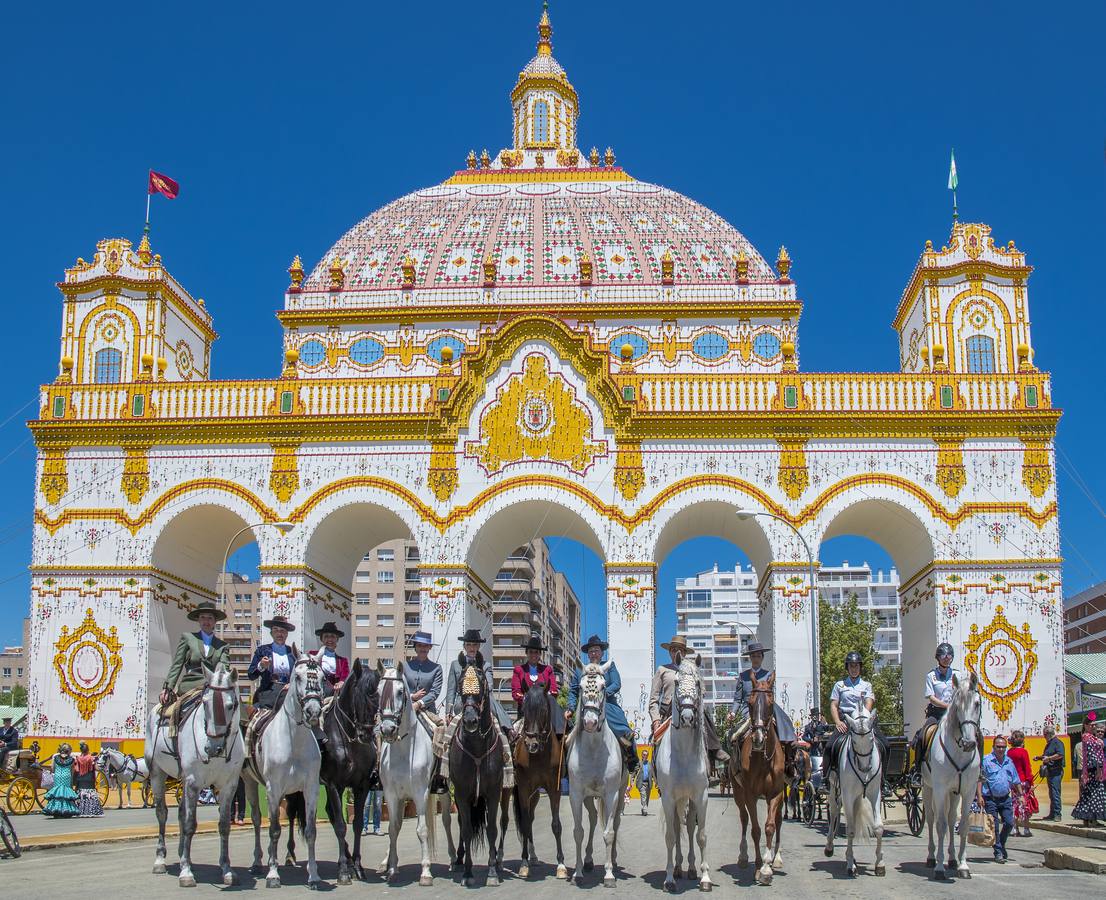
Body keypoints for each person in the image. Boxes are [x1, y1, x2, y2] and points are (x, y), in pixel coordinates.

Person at [438, 629, 514, 788]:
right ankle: (443, 770)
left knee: (495, 717)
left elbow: (490, 687)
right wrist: (448, 712)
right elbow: (451, 690)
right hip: (463, 704)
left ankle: (507, 732)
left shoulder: (485, 665)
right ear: (465, 646)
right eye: (469, 644)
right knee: (447, 734)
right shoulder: (455, 665)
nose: (472, 647)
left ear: (478, 647)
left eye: (474, 645)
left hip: (481, 703)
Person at [648, 634, 729, 776]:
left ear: (684, 653)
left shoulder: (693, 669)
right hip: (668, 710)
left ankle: (715, 749)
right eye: (673, 650)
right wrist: (655, 719)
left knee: (705, 717)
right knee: (656, 740)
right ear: (669, 652)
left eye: (680, 650)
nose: (676, 653)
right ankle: (655, 769)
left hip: (690, 705)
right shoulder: (662, 670)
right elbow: (653, 699)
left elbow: (702, 692)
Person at [160, 600, 231, 740]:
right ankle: (172, 736)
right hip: (191, 683)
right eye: (203, 617)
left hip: (212, 685)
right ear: (198, 620)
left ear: (215, 621)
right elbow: (177, 664)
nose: (206, 621)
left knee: (231, 703)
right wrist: (168, 688)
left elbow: (224, 666)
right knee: (173, 709)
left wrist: (219, 677)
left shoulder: (223, 645)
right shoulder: (188, 638)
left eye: (210, 618)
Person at [566, 635, 637, 774]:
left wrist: (603, 693)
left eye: (596, 650)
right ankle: (566, 768)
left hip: (608, 705)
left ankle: (632, 760)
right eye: (591, 651)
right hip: (585, 706)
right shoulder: (580, 670)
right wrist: (570, 707)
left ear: (602, 653)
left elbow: (617, 683)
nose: (594, 653)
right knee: (567, 738)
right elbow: (573, 690)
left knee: (626, 732)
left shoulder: (609, 666)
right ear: (588, 654)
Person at [728, 641, 797, 775]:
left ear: (762, 658)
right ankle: (734, 766)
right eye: (753, 656)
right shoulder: (743, 677)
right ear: (750, 658)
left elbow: (770, 698)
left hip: (766, 711)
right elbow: (738, 699)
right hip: (748, 712)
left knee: (783, 729)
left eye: (758, 656)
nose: (756, 659)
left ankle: (789, 764)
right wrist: (732, 712)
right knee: (734, 736)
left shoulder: (768, 675)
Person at [821, 651, 887, 781]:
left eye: (856, 666)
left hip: (864, 720)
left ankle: (883, 780)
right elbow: (834, 705)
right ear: (847, 667)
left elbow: (869, 702)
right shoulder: (839, 685)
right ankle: (826, 778)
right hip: (845, 721)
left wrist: (861, 719)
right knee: (830, 746)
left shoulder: (867, 685)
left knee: (885, 745)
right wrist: (838, 722)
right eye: (851, 666)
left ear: (860, 667)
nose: (854, 669)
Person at [910, 642, 962, 776]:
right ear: (938, 658)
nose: (946, 657)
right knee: (922, 736)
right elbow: (931, 697)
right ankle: (917, 771)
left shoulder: (958, 674)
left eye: (949, 655)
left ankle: (979, 769)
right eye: (943, 655)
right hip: (937, 713)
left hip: (954, 714)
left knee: (973, 733)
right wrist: (947, 706)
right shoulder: (931, 675)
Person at [403, 631, 445, 792]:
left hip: (427, 711)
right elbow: (400, 687)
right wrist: (412, 697)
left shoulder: (436, 668)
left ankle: (439, 777)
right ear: (415, 647)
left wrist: (419, 703)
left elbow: (434, 693)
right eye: (420, 645)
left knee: (440, 732)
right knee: (383, 729)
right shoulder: (406, 666)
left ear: (429, 648)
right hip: (406, 707)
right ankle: (378, 770)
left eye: (426, 646)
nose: (423, 648)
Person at [976, 734, 1022, 863]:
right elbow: (979, 779)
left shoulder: (1009, 761)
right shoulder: (986, 761)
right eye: (998, 747)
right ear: (993, 747)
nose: (1001, 749)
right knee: (994, 826)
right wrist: (979, 796)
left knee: (1009, 823)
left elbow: (1016, 780)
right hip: (990, 798)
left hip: (1005, 798)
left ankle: (1001, 844)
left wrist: (1021, 795)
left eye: (1003, 747)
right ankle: (998, 852)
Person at [511, 635, 566, 741]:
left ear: (540, 654)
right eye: (531, 652)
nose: (533, 655)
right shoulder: (519, 670)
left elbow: (553, 690)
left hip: (544, 711)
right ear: (527, 653)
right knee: (513, 735)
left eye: (536, 652)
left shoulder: (547, 670)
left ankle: (561, 733)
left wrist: (541, 699)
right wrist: (530, 699)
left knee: (552, 700)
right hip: (527, 711)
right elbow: (516, 692)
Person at [247, 614, 298, 709]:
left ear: (287, 633)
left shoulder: (294, 653)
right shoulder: (262, 651)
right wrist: (261, 666)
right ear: (271, 633)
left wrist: (292, 684)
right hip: (268, 693)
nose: (279, 634)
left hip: (289, 694)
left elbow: (300, 676)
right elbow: (251, 675)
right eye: (276, 630)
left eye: (282, 631)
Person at [1072, 718, 1106, 827]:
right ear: (1086, 726)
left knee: (1091, 794)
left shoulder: (1091, 737)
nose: (1094, 727)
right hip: (1093, 770)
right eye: (1091, 725)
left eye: (1094, 725)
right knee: (1094, 794)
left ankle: (1089, 819)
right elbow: (1092, 755)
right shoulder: (1087, 737)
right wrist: (1098, 769)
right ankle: (1091, 819)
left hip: (1094, 769)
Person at [1007, 730, 1037, 836]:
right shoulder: (1023, 752)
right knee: (1025, 805)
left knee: (1014, 805)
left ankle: (1015, 828)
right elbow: (1027, 768)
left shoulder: (1009, 752)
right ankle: (1026, 829)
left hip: (1013, 783)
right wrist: (1031, 782)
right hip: (1023, 782)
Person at [1035, 724, 1066, 821]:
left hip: (1056, 771)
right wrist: (1039, 758)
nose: (1044, 737)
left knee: (1055, 793)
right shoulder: (1049, 744)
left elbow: (1060, 754)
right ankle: (1052, 813)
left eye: (1044, 735)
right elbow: (1047, 755)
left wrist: (1049, 758)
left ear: (1048, 734)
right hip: (1050, 771)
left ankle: (1057, 814)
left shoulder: (1057, 742)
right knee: (1052, 793)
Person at [43, 742, 79, 818]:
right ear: (68, 751)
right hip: (67, 776)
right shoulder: (71, 759)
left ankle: (56, 809)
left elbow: (52, 769)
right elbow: (72, 771)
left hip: (58, 775)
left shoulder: (56, 758)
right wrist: (71, 782)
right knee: (66, 793)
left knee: (57, 793)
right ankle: (66, 810)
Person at [314, 621, 350, 695]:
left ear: (337, 639)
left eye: (332, 636)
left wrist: (341, 682)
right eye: (326, 636)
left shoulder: (343, 661)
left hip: (334, 694)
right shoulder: (312, 655)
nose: (329, 639)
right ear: (322, 639)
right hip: (315, 692)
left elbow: (345, 676)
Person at [73, 740, 104, 817]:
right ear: (88, 750)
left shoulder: (78, 758)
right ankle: (91, 810)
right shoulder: (92, 758)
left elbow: (76, 769)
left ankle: (80, 810)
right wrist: (101, 768)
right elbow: (96, 768)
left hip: (80, 778)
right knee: (90, 795)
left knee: (81, 795)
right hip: (89, 778)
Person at [637, 748, 652, 815]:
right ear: (642, 755)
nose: (645, 756)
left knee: (647, 798)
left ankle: (644, 809)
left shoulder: (649, 764)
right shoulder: (639, 763)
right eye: (644, 755)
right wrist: (632, 779)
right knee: (644, 796)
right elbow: (635, 771)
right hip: (641, 782)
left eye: (646, 755)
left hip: (648, 783)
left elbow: (653, 774)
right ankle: (645, 809)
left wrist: (656, 781)